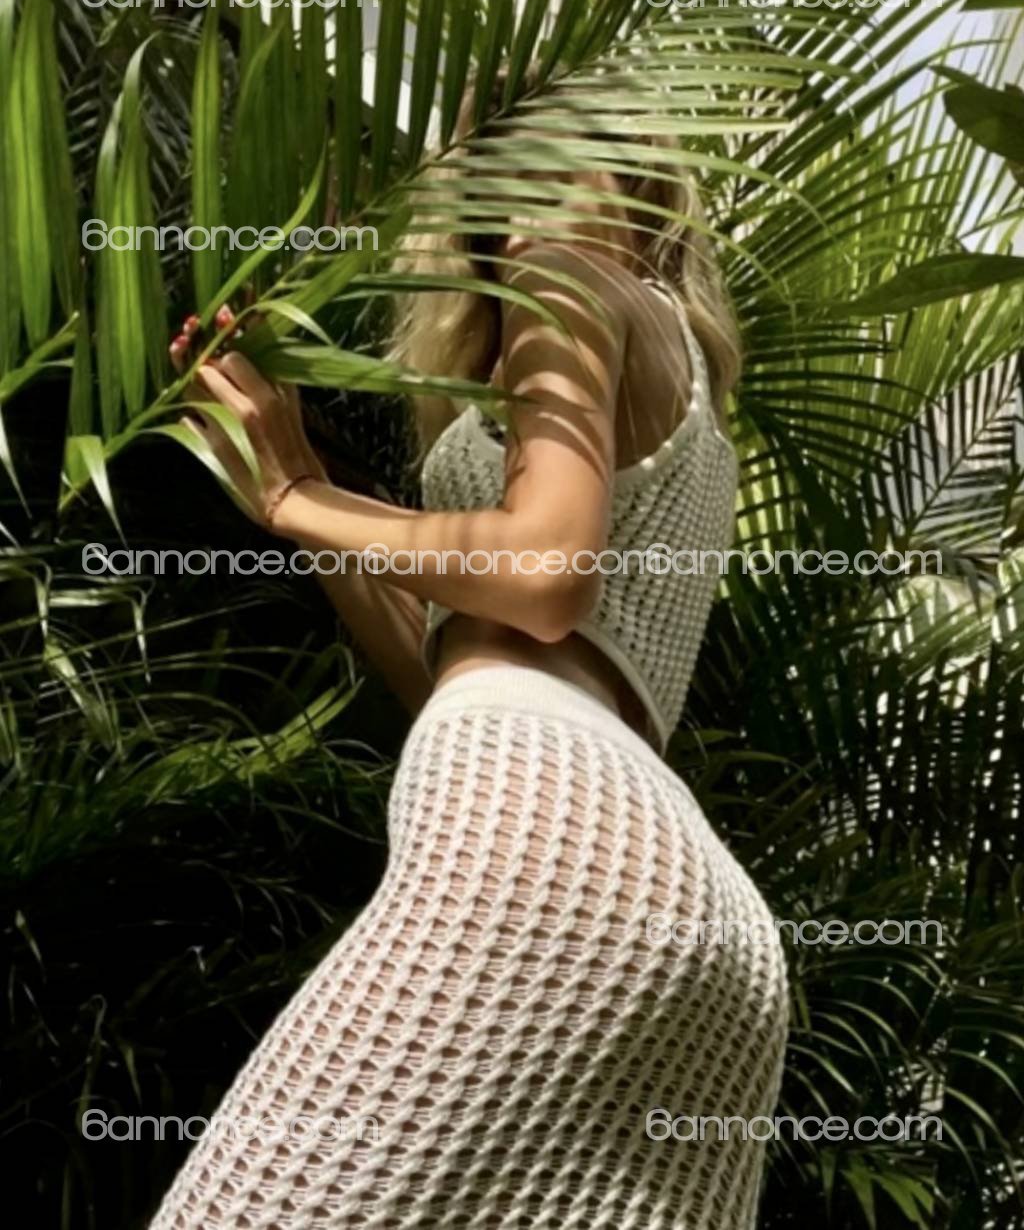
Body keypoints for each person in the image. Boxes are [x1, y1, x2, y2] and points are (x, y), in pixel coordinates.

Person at [150, 74, 789, 1229]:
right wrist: (309, 492)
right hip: (702, 918)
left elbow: (542, 577)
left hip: (536, 835)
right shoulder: (687, 385)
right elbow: (463, 661)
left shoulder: (561, 276)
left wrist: (295, 497)